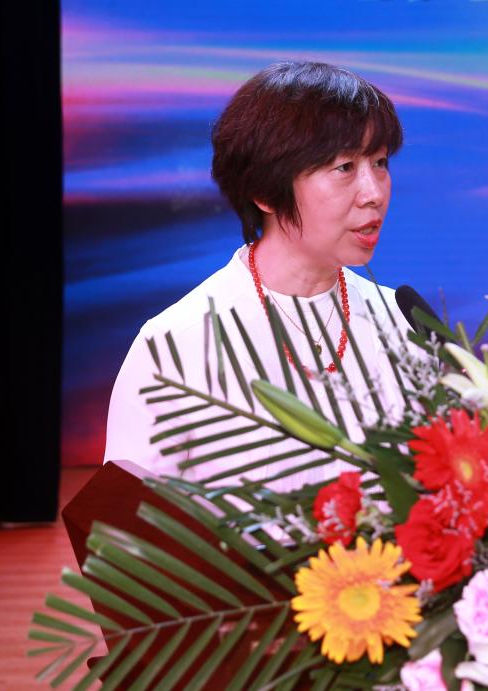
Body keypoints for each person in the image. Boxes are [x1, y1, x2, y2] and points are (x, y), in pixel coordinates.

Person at [103, 61, 412, 492]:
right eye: (344, 167)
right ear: (266, 191)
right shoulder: (177, 342)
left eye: (379, 163)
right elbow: (126, 522)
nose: (374, 193)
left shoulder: (404, 323)